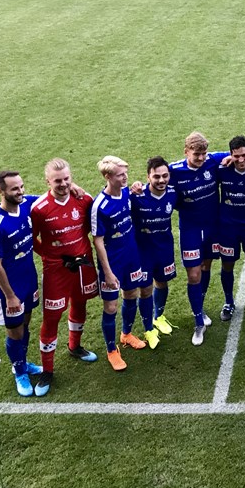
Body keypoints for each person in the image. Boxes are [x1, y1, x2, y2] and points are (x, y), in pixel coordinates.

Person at [31, 159, 100, 393]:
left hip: (83, 265)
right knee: (52, 317)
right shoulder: (39, 209)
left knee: (80, 304)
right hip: (56, 270)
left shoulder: (84, 199)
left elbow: (90, 227)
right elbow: (32, 239)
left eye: (67, 179)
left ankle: (75, 346)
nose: (63, 184)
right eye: (57, 180)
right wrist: (49, 254)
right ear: (47, 181)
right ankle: (47, 371)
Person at [92, 156, 156, 371]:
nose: (125, 177)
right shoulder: (100, 206)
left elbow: (136, 189)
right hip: (113, 263)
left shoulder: (126, 193)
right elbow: (97, 241)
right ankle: (112, 350)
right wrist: (108, 272)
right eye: (120, 175)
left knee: (131, 294)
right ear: (107, 176)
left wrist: (136, 185)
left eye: (126, 173)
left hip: (132, 256)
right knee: (110, 306)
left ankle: (126, 334)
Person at [0, 171, 44, 397]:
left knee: (25, 324)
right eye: (14, 189)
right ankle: (19, 372)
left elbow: (51, 197)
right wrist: (10, 296)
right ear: (0, 191)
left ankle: (23, 362)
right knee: (15, 331)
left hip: (28, 279)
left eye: (21, 186)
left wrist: (74, 187)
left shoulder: (26, 204)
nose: (21, 192)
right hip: (8, 288)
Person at [169, 131, 229, 346]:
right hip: (190, 230)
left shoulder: (213, 160)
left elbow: (238, 153)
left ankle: (200, 308)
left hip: (212, 227)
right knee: (193, 275)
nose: (201, 158)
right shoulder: (173, 170)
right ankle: (198, 323)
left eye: (204, 154)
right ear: (186, 152)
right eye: (196, 154)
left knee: (206, 267)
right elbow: (154, 179)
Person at [215, 136, 245, 322]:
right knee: (227, 264)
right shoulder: (222, 169)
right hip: (228, 228)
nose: (241, 160)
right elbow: (206, 157)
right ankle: (228, 302)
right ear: (230, 155)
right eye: (236, 156)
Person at [130, 156, 178, 337]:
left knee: (162, 282)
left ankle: (159, 316)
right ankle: (148, 327)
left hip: (164, 247)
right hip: (143, 251)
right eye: (156, 176)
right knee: (145, 289)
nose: (161, 180)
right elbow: (114, 197)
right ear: (148, 177)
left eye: (165, 176)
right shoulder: (136, 195)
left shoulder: (173, 192)